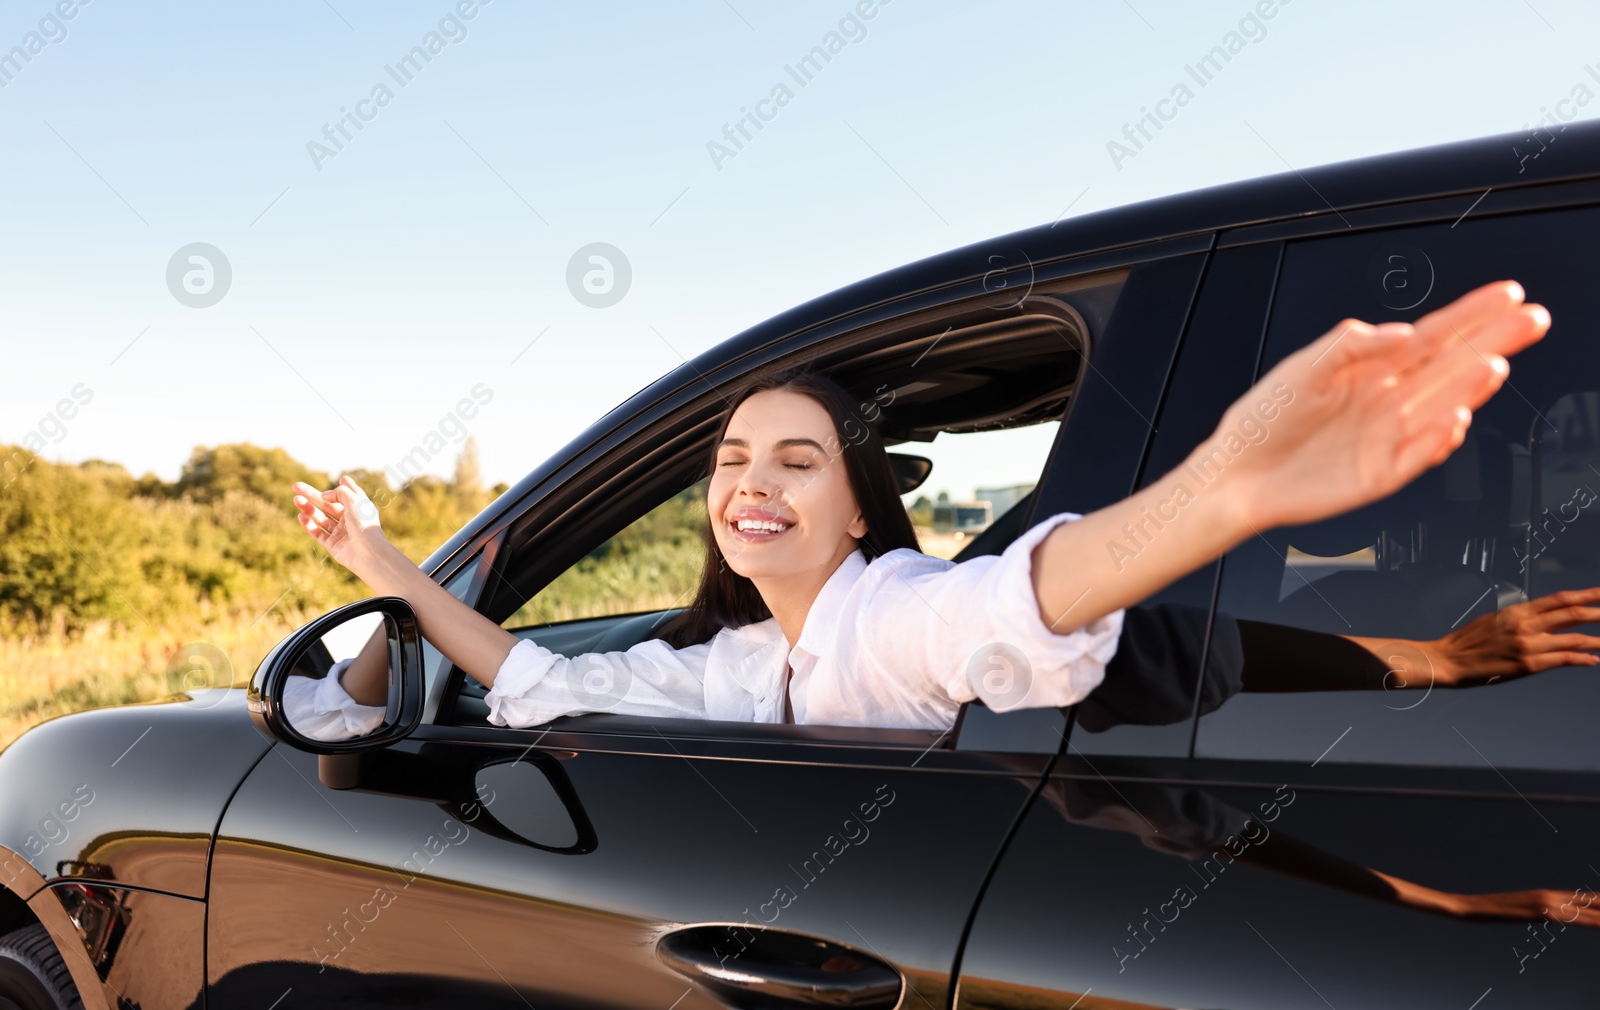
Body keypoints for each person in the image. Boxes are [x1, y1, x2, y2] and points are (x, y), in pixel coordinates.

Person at [284, 280, 1551, 737]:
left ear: (855, 511)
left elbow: (1013, 601)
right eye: (730, 460)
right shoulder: (730, 665)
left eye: (796, 460)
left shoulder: (886, 614)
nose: (747, 484)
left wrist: (1226, 485)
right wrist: (381, 555)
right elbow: (526, 670)